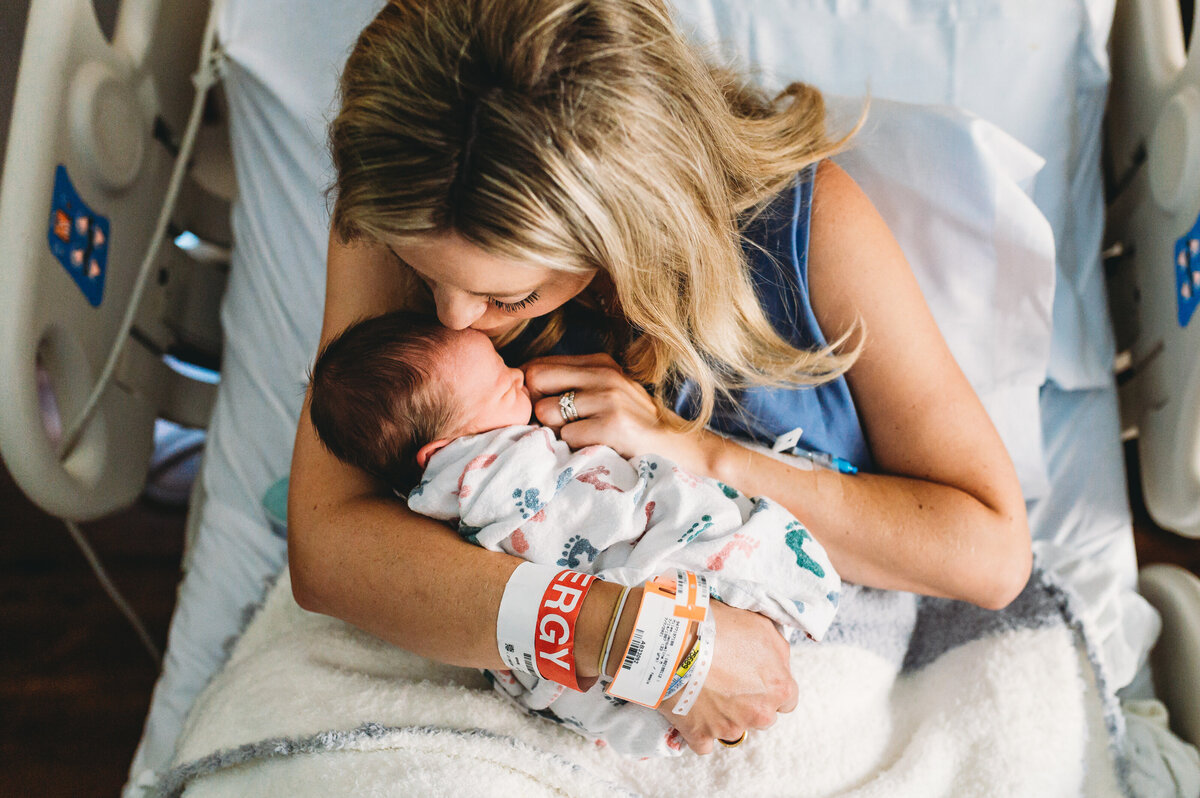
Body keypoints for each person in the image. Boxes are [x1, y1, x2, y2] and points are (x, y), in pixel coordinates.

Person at [288, 0, 1031, 756]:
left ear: (629, 218)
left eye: (505, 297)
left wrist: (694, 452)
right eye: (424, 275)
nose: (450, 320)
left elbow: (992, 556)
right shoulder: (411, 193)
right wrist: (646, 641)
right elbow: (328, 548)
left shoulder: (814, 233)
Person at [306, 312, 842, 755]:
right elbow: (592, 511)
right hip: (614, 610)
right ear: (441, 452)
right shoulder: (498, 472)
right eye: (500, 385)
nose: (518, 377)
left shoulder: (430, 498)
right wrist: (671, 649)